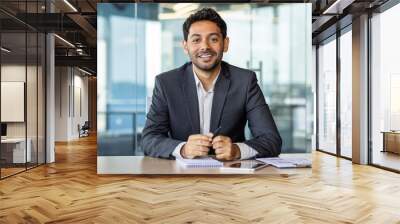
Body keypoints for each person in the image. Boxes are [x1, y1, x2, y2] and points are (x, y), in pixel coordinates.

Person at [141, 8, 281, 161]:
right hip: (180, 178)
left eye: (213, 39)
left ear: (225, 44)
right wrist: (183, 149)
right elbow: (149, 139)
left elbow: (271, 140)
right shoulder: (166, 83)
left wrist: (237, 150)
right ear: (185, 46)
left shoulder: (245, 81)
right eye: (196, 40)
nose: (204, 47)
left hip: (231, 178)